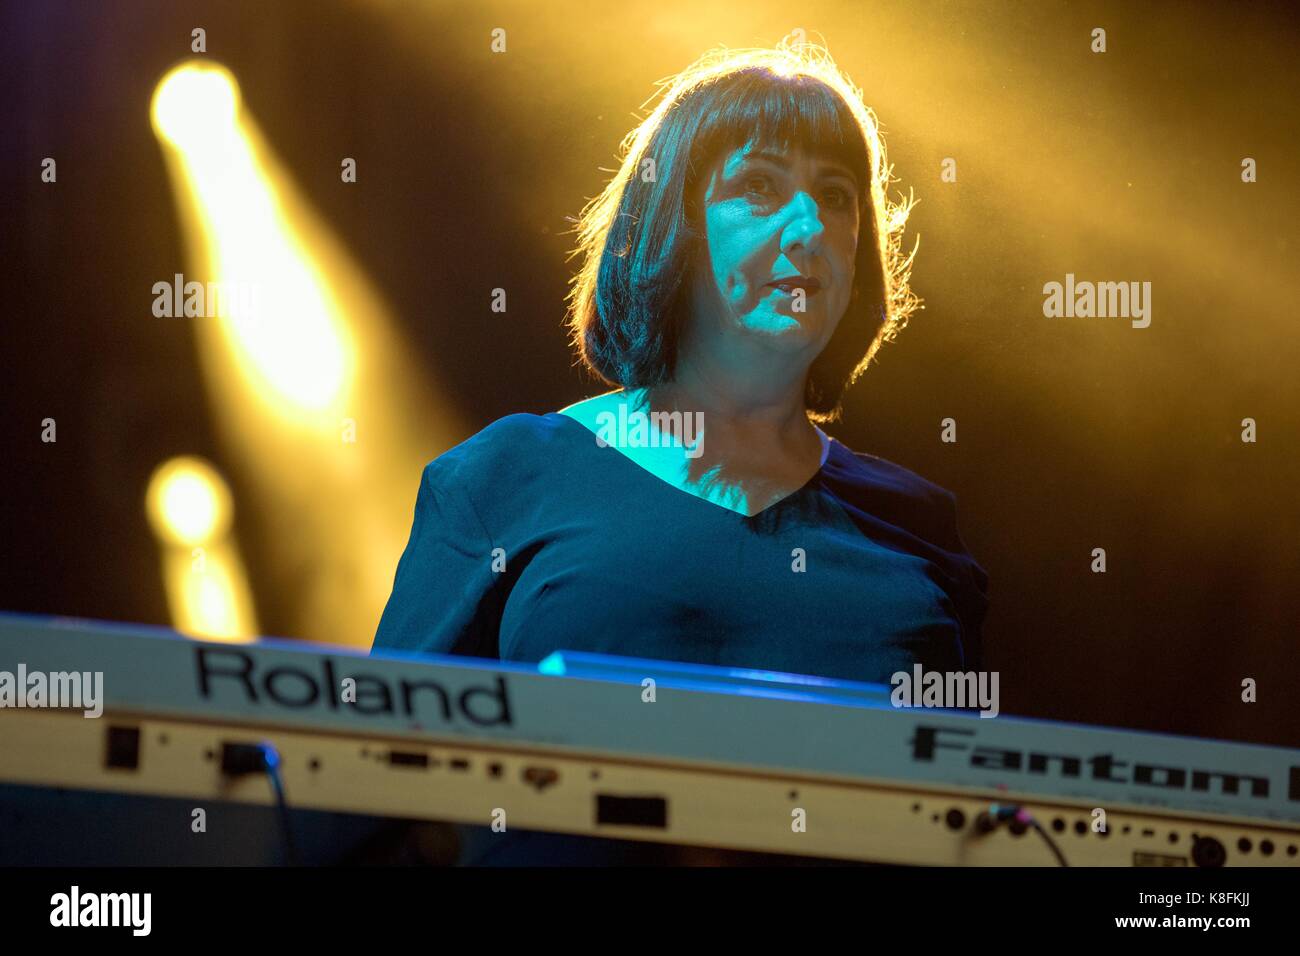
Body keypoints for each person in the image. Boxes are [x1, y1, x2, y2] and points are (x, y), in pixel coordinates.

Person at [373, 37, 988, 690]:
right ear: (673, 224)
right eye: (759, 185)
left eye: (837, 196)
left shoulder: (921, 524)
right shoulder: (503, 479)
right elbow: (379, 760)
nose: (810, 228)